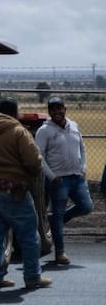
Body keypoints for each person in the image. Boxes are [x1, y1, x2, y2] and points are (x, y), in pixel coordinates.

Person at [0, 97, 52, 290]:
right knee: (29, 236)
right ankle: (32, 277)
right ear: (15, 112)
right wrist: (28, 177)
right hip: (15, 190)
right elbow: (34, 161)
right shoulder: (19, 131)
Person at [35, 96, 93, 265]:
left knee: (86, 206)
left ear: (65, 109)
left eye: (59, 108)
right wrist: (52, 177)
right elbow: (40, 156)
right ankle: (60, 253)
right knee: (58, 212)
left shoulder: (73, 125)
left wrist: (83, 168)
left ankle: (55, 222)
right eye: (53, 109)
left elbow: (82, 147)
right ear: (49, 112)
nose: (57, 112)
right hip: (58, 180)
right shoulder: (44, 131)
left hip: (77, 177)